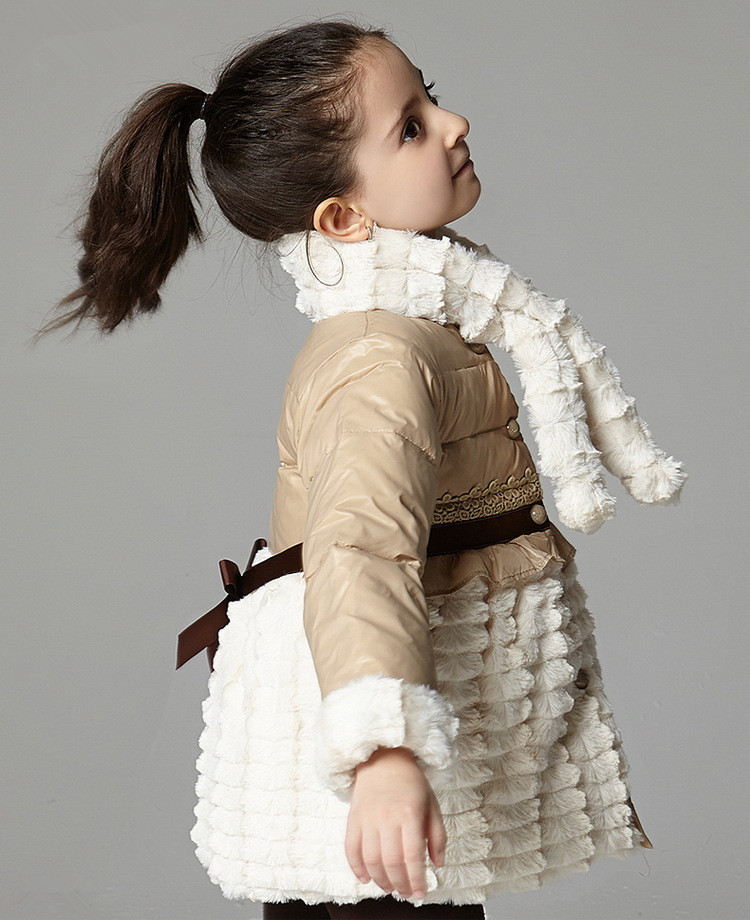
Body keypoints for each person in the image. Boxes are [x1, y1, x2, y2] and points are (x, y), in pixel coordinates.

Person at [32, 16, 686, 919]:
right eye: (411, 126)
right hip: (365, 738)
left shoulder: (436, 322)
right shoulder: (381, 357)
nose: (454, 124)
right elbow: (358, 550)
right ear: (343, 217)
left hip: (424, 701)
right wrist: (380, 752)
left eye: (431, 96)